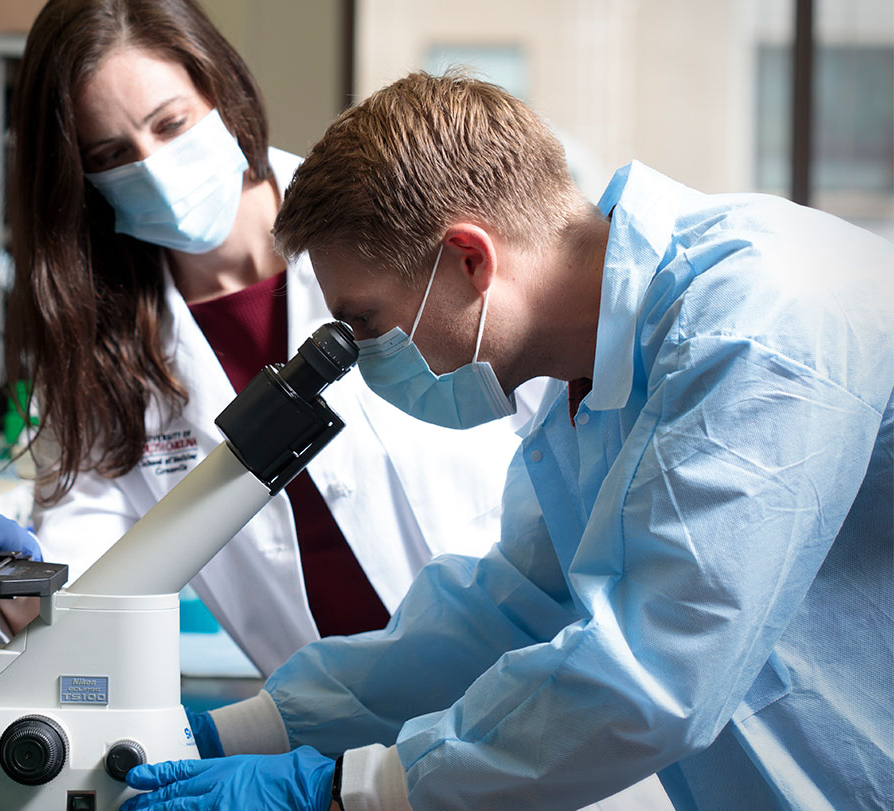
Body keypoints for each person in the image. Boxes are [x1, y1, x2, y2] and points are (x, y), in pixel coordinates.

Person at [121, 72, 894, 810]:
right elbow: (504, 614)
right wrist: (241, 731)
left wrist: (351, 792)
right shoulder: (590, 386)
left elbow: (660, 671)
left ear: (469, 259)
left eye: (366, 323)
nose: (364, 354)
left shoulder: (758, 324)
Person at [0, 0, 541, 677]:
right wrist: (7, 572)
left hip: (533, 675)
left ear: (223, 94)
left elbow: (565, 420)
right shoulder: (103, 346)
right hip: (332, 730)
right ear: (82, 176)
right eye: (113, 152)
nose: (152, 166)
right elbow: (92, 599)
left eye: (171, 123)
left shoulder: (389, 229)